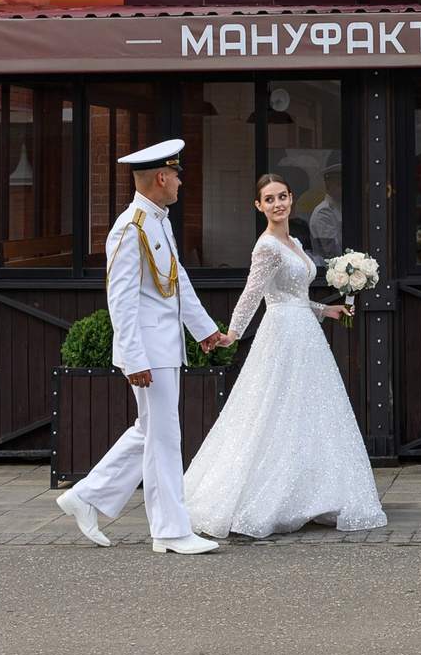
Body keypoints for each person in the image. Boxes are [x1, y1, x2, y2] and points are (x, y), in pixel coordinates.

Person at [184, 171, 387, 539]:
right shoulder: (266, 246)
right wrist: (232, 333)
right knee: (271, 411)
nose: (278, 204)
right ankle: (262, 498)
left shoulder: (293, 240)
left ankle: (310, 496)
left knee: (311, 412)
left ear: (292, 199)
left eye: (283, 196)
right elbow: (254, 294)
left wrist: (328, 311)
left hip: (305, 333)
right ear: (259, 206)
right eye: (270, 199)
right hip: (280, 335)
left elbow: (293, 297)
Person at [56, 139, 230, 555]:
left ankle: (86, 496)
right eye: (178, 175)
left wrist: (203, 330)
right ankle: (170, 531)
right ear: (162, 177)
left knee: (149, 431)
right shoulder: (129, 226)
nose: (182, 182)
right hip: (150, 351)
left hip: (166, 346)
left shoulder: (159, 221)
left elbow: (177, 283)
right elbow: (121, 298)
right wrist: (133, 357)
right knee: (165, 438)